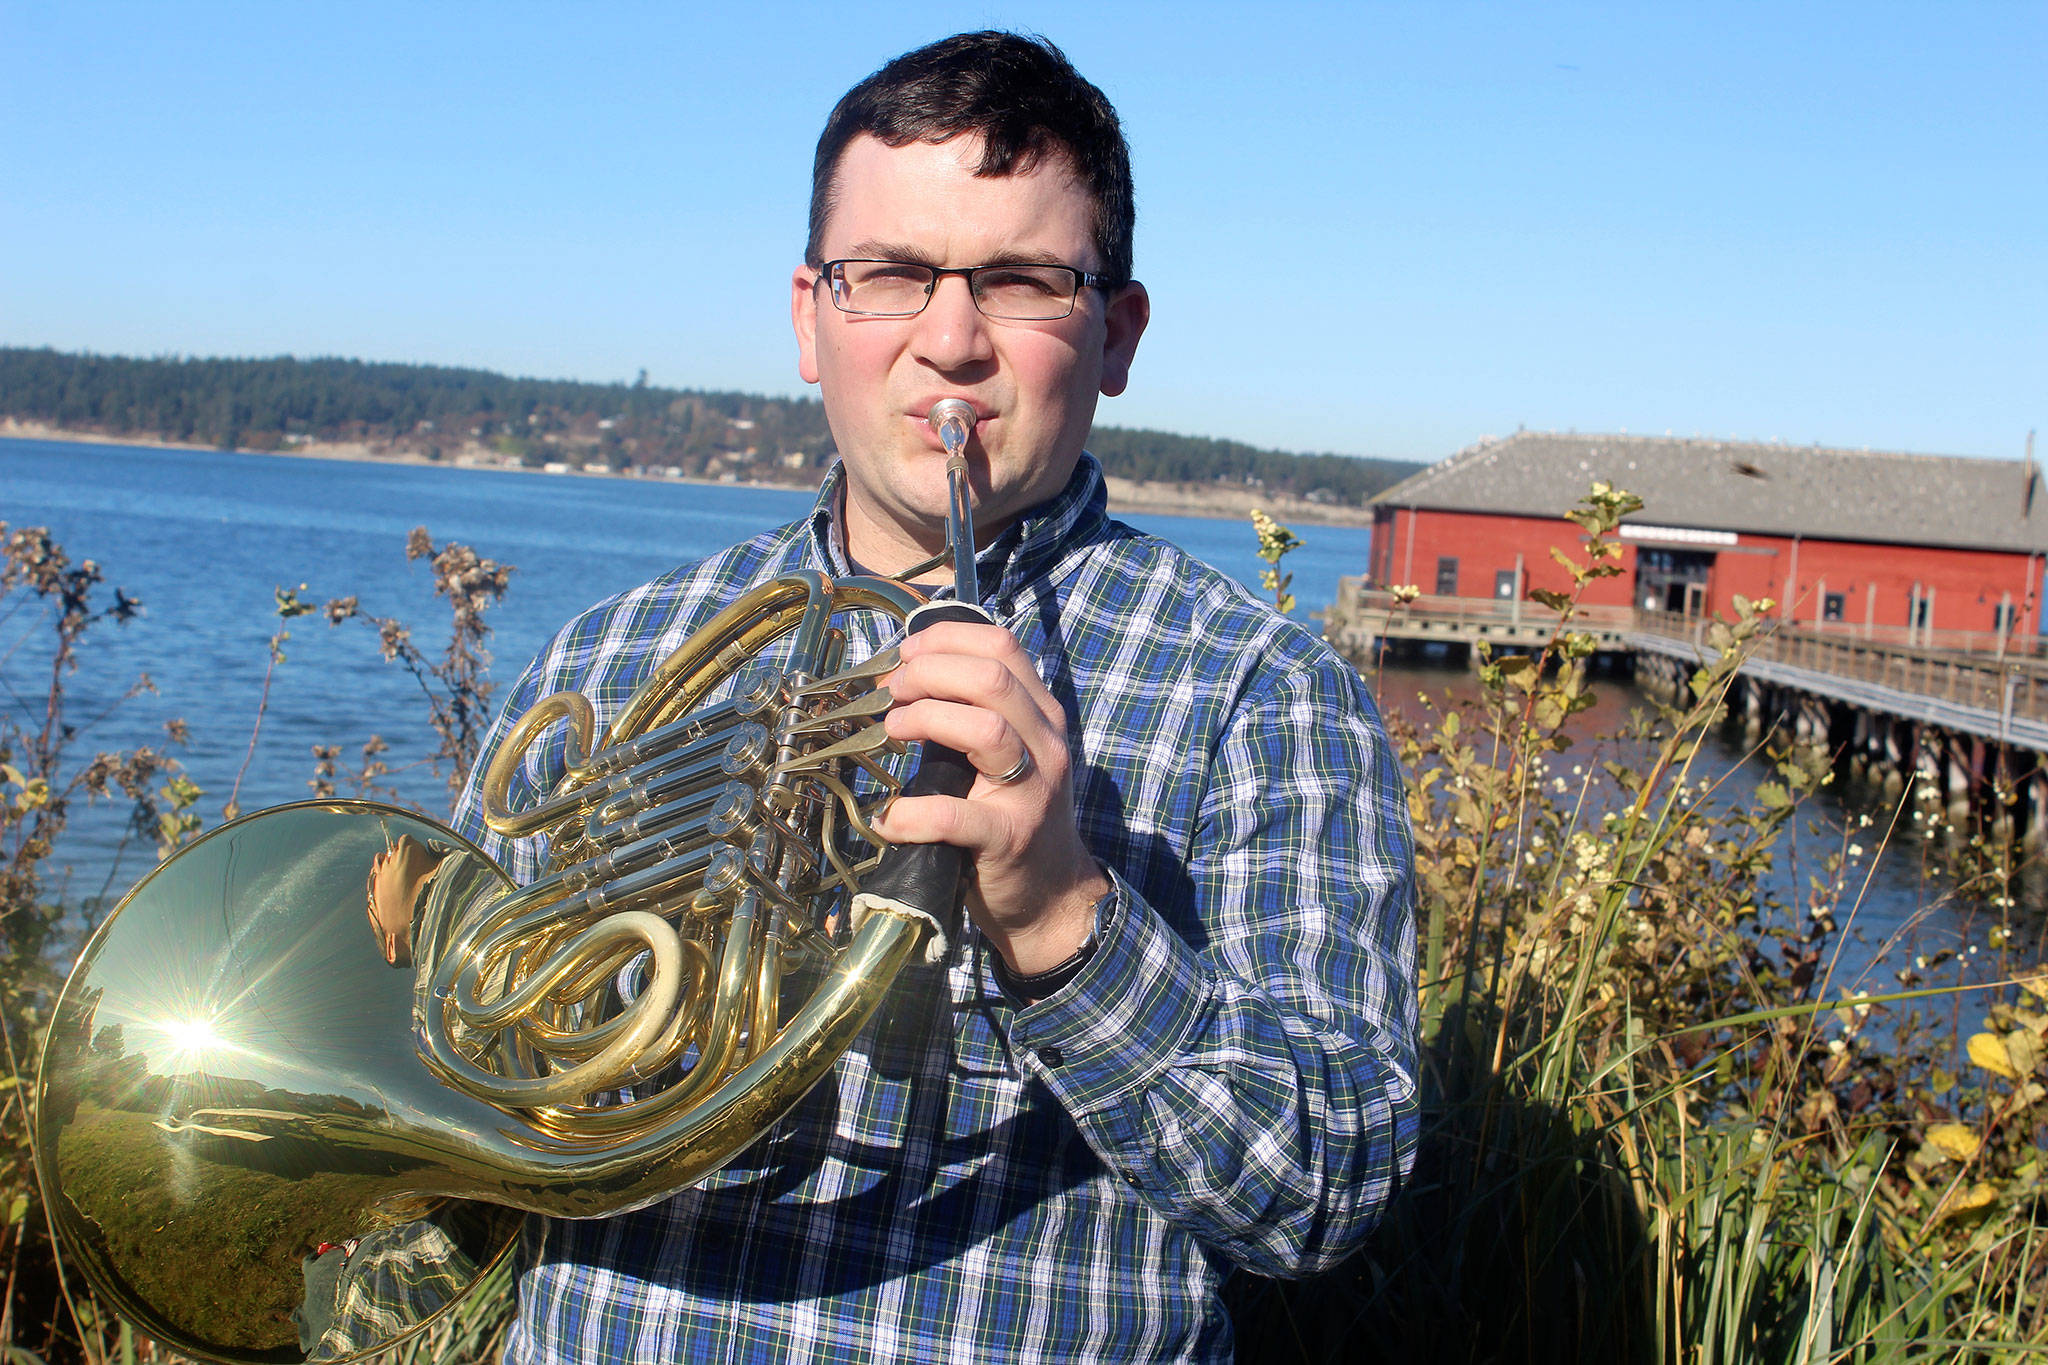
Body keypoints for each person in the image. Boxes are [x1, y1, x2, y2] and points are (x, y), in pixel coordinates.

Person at [451, 30, 1417, 1363]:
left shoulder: (1265, 693)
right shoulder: (611, 659)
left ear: (1117, 334)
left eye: (1021, 281)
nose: (948, 343)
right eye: (890, 276)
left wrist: (1065, 911)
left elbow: (1326, 1188)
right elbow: (461, 1065)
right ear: (809, 317)